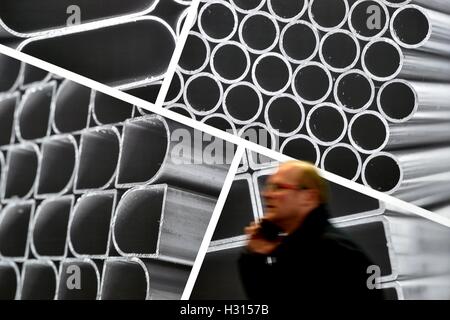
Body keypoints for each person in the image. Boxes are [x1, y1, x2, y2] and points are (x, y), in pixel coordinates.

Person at [238, 160, 384, 300]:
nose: (266, 195)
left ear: (308, 197)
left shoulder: (330, 250)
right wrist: (254, 257)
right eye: (268, 187)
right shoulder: (303, 249)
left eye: (278, 187)